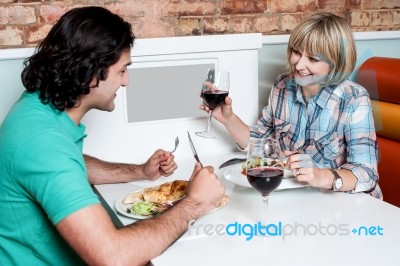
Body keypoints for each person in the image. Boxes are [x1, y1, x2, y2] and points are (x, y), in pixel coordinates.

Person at [0, 6, 224, 265]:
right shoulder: (43, 143)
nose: (126, 81)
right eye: (122, 70)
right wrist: (194, 203)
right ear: (89, 72)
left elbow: (70, 163)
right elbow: (112, 258)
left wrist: (139, 171)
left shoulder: (37, 109)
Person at [201, 12, 381, 199]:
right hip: (300, 197)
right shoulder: (282, 86)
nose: (299, 64)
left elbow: (367, 174)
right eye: (296, 52)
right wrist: (228, 119)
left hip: (345, 202)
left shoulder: (354, 98)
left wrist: (320, 176)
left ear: (336, 63)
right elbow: (259, 143)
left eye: (313, 59)